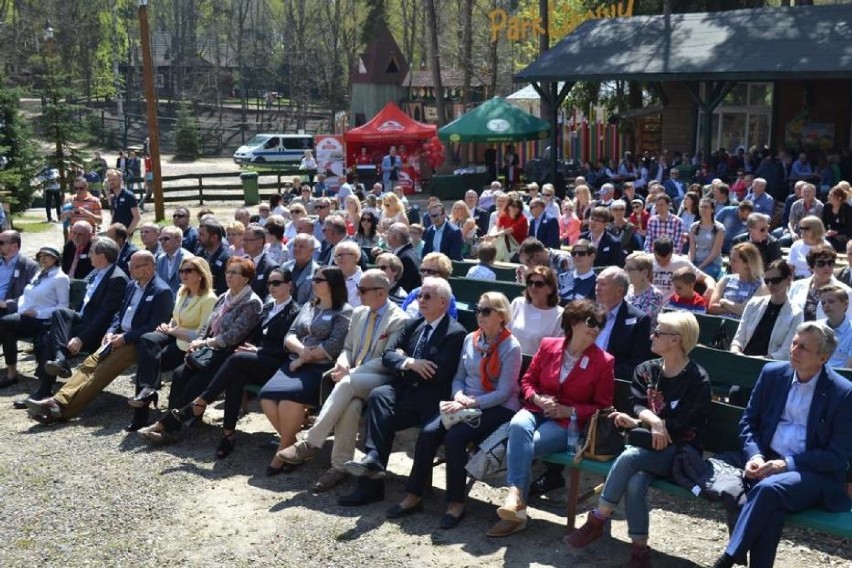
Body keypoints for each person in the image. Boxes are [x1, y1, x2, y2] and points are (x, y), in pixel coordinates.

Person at [567, 312, 711, 568]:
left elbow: (686, 423)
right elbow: (636, 403)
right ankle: (639, 553)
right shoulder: (647, 370)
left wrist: (656, 427)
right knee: (635, 481)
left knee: (630, 457)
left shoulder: (697, 379)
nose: (651, 336)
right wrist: (648, 422)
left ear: (676, 340)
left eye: (658, 332)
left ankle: (597, 519)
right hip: (649, 444)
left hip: (680, 452)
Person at [711, 322, 852, 568]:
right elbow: (748, 422)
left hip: (812, 474)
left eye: (804, 348)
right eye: (794, 343)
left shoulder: (843, 393)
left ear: (823, 358)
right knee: (772, 506)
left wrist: (787, 464)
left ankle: (728, 558)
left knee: (768, 490)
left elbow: (836, 456)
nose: (794, 350)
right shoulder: (773, 374)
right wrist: (754, 456)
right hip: (767, 463)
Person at [389, 292, 522, 528]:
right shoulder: (471, 339)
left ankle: (456, 503)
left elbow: (504, 391)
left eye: (486, 311)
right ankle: (414, 495)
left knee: (455, 438)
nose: (480, 315)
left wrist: (470, 403)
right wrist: (459, 396)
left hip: (498, 407)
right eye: (478, 310)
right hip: (463, 402)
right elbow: (459, 377)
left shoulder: (511, 347)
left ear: (501, 316)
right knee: (429, 432)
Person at [486, 299, 614, 537]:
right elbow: (527, 381)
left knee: (524, 446)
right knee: (518, 424)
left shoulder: (603, 361)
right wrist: (536, 398)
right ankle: (516, 500)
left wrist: (571, 411)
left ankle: (516, 506)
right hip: (536, 411)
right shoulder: (548, 346)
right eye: (591, 322)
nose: (596, 328)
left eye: (600, 325)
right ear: (574, 322)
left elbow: (603, 407)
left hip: (567, 424)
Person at [272, 269, 408, 489]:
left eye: (362, 289)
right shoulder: (359, 313)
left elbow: (387, 360)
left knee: (346, 384)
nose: (358, 292)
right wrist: (343, 362)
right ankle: (340, 466)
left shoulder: (399, 320)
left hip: (381, 378)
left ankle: (310, 442)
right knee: (351, 405)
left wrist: (350, 373)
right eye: (358, 288)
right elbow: (348, 348)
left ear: (381, 293)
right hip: (353, 379)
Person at [338, 277, 466, 506]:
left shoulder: (454, 334)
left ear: (444, 303)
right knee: (379, 396)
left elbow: (435, 373)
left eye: (427, 296)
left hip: (430, 399)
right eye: (419, 295)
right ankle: (372, 471)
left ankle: (412, 492)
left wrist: (403, 360)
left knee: (413, 429)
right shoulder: (413, 324)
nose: (421, 300)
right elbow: (387, 356)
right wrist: (410, 363)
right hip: (405, 390)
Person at [24, 251, 174, 424]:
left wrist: (125, 338)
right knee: (89, 364)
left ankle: (59, 407)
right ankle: (57, 405)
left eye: (134, 266)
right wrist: (111, 331)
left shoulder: (162, 291)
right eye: (129, 265)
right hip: (117, 337)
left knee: (101, 373)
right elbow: (119, 314)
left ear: (148, 268)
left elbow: (153, 326)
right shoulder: (132, 285)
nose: (129, 269)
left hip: (137, 342)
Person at [166, 267, 301, 458]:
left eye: (277, 283)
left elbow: (288, 347)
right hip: (256, 359)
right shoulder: (269, 307)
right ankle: (228, 434)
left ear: (289, 285)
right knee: (236, 377)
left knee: (236, 358)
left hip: (277, 363)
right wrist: (251, 348)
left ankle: (199, 402)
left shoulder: (296, 311)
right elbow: (253, 335)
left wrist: (258, 350)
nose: (272, 287)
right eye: (270, 283)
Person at [137, 257, 263, 443]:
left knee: (197, 380)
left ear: (246, 278)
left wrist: (204, 344)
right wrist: (198, 343)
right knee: (180, 373)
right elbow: (207, 325)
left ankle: (164, 426)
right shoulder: (225, 297)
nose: (228, 276)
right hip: (210, 349)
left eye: (234, 273)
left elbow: (233, 337)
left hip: (230, 355)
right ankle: (172, 426)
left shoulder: (252, 303)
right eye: (228, 272)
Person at [256, 266, 352, 473]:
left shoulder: (344, 311)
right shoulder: (310, 305)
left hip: (318, 367)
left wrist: (301, 360)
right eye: (314, 279)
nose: (313, 283)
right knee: (266, 397)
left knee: (289, 401)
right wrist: (300, 351)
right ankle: (294, 447)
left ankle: (281, 453)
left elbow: (333, 345)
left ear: (332, 284)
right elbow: (290, 334)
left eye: (319, 280)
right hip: (294, 360)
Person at [32, 238, 127, 400]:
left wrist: (80, 339)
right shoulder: (98, 273)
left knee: (49, 338)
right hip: (84, 318)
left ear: (102, 257)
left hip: (98, 329)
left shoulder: (116, 278)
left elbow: (104, 316)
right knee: (60, 313)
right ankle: (60, 360)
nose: (88, 255)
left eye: (91, 252)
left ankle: (45, 387)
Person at [128, 257, 217, 429]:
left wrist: (172, 330)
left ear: (200, 274)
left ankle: (149, 410)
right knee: (147, 341)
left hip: (189, 346)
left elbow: (201, 334)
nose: (183, 274)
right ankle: (147, 392)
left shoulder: (209, 299)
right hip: (175, 337)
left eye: (189, 271)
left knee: (149, 362)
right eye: (181, 271)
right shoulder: (182, 291)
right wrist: (168, 325)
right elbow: (177, 319)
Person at [0, 247, 70, 388]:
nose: (43, 258)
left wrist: (38, 313)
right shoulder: (39, 274)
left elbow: (63, 307)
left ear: (56, 259)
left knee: (4, 322)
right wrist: (19, 307)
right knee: (8, 331)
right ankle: (11, 374)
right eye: (40, 256)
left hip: (44, 320)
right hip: (27, 316)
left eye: (47, 256)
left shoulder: (60, 278)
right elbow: (26, 296)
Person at [731, 259, 802, 360]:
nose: (770, 285)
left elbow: (785, 353)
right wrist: (736, 352)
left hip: (769, 365)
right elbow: (738, 339)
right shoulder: (753, 304)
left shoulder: (796, 313)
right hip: (742, 359)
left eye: (776, 280)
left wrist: (756, 360)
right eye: (767, 281)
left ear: (789, 279)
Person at [508, 266, 564, 355]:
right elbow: (505, 333)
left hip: (538, 365)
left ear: (550, 289)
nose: (533, 287)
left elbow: (557, 348)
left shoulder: (560, 314)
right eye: (530, 283)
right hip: (511, 359)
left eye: (539, 284)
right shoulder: (517, 303)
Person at [789, 244, 852, 322]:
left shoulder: (846, 292)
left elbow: (849, 323)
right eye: (821, 263)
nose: (827, 267)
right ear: (811, 267)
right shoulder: (796, 287)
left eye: (830, 263)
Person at [708, 242, 766, 319]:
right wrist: (738, 308)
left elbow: (750, 311)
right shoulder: (725, 280)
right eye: (730, 259)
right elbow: (712, 307)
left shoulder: (761, 286)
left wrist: (725, 303)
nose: (730, 263)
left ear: (747, 264)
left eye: (734, 261)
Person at [401, 252, 459, 319]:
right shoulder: (415, 292)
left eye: (431, 271)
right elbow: (402, 312)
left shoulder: (446, 297)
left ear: (443, 275)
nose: (425, 274)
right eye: (423, 270)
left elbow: (450, 324)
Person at [0, 230, 39, 316]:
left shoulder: (29, 266)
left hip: (7, 310)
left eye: (1, 243)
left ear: (14, 246)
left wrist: (8, 304)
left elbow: (32, 294)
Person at [688, 197, 725, 279]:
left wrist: (700, 267)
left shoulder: (719, 228)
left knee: (698, 277)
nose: (703, 209)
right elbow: (692, 248)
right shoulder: (693, 227)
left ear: (712, 210)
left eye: (706, 207)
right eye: (701, 207)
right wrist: (690, 263)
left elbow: (715, 252)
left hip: (712, 263)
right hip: (696, 261)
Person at [817, 285, 852, 368]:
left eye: (831, 301)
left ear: (845, 304)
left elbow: (849, 368)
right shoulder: (816, 328)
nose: (826, 305)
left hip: (842, 378)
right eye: (823, 303)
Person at [624, 252, 664, 326]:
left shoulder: (655, 295)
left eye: (629, 269)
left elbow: (641, 320)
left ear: (644, 273)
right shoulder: (626, 290)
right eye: (625, 269)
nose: (625, 272)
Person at [242, 223, 279, 301]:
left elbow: (269, 297)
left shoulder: (271, 267)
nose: (244, 243)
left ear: (260, 242)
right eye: (244, 239)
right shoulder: (241, 262)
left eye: (249, 240)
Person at [196, 218, 231, 295]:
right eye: (198, 234)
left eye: (201, 235)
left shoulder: (227, 258)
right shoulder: (199, 253)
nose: (198, 237)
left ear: (214, 237)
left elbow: (223, 288)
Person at [283, 233, 319, 305]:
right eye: (295, 245)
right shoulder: (286, 266)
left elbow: (312, 302)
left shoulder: (317, 272)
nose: (296, 249)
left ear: (311, 250)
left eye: (301, 246)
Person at [154, 226, 191, 293]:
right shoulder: (160, 259)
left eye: (166, 239)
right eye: (160, 239)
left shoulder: (188, 259)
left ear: (178, 240)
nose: (162, 242)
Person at [105, 168, 140, 234]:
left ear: (120, 180)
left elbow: (137, 217)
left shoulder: (129, 195)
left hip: (126, 234)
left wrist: (127, 233)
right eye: (109, 180)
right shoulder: (113, 197)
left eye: (113, 179)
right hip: (116, 234)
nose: (111, 182)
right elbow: (113, 216)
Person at [821, 185, 852, 252]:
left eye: (831, 195)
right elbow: (823, 223)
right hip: (830, 235)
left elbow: (849, 228)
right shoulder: (827, 207)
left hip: (844, 235)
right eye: (829, 195)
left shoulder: (847, 209)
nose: (828, 197)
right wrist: (827, 231)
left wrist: (836, 232)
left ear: (839, 198)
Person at [333, 240, 363, 308]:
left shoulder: (365, 281)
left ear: (355, 257)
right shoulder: (330, 279)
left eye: (342, 255)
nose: (339, 258)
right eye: (336, 256)